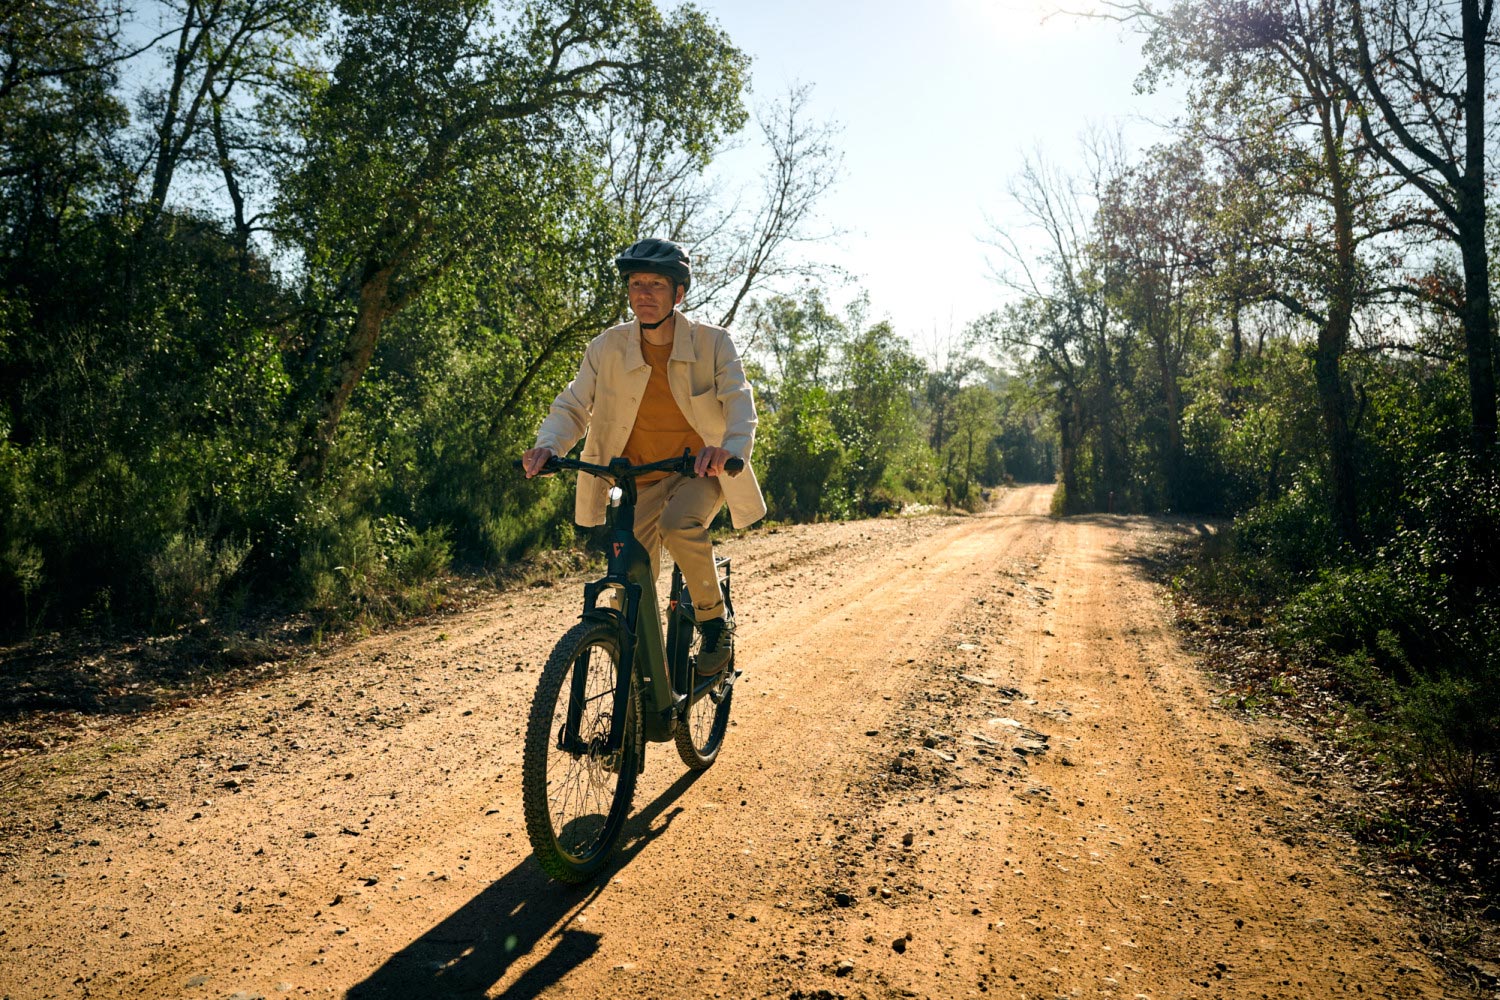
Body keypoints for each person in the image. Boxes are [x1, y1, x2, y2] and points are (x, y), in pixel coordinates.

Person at [521, 238, 766, 674]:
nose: (645, 294)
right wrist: (548, 446)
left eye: (657, 284)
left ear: (679, 293)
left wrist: (727, 451)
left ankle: (713, 622)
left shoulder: (713, 343)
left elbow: (739, 405)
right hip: (636, 481)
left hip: (698, 471)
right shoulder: (606, 347)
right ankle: (638, 684)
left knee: (678, 525)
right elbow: (574, 406)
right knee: (630, 579)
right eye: (637, 284)